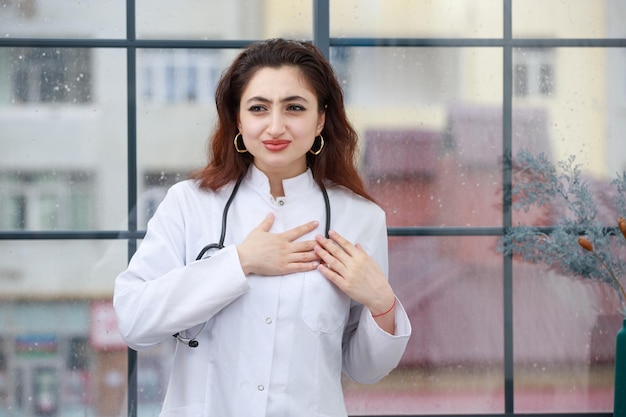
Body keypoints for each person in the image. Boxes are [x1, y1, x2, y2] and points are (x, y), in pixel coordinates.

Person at [113, 38, 411, 417]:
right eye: (258, 108)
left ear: (320, 118)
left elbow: (365, 369)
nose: (275, 126)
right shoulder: (189, 203)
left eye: (294, 108)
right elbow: (134, 321)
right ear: (237, 118)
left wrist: (381, 303)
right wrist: (239, 262)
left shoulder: (360, 218)